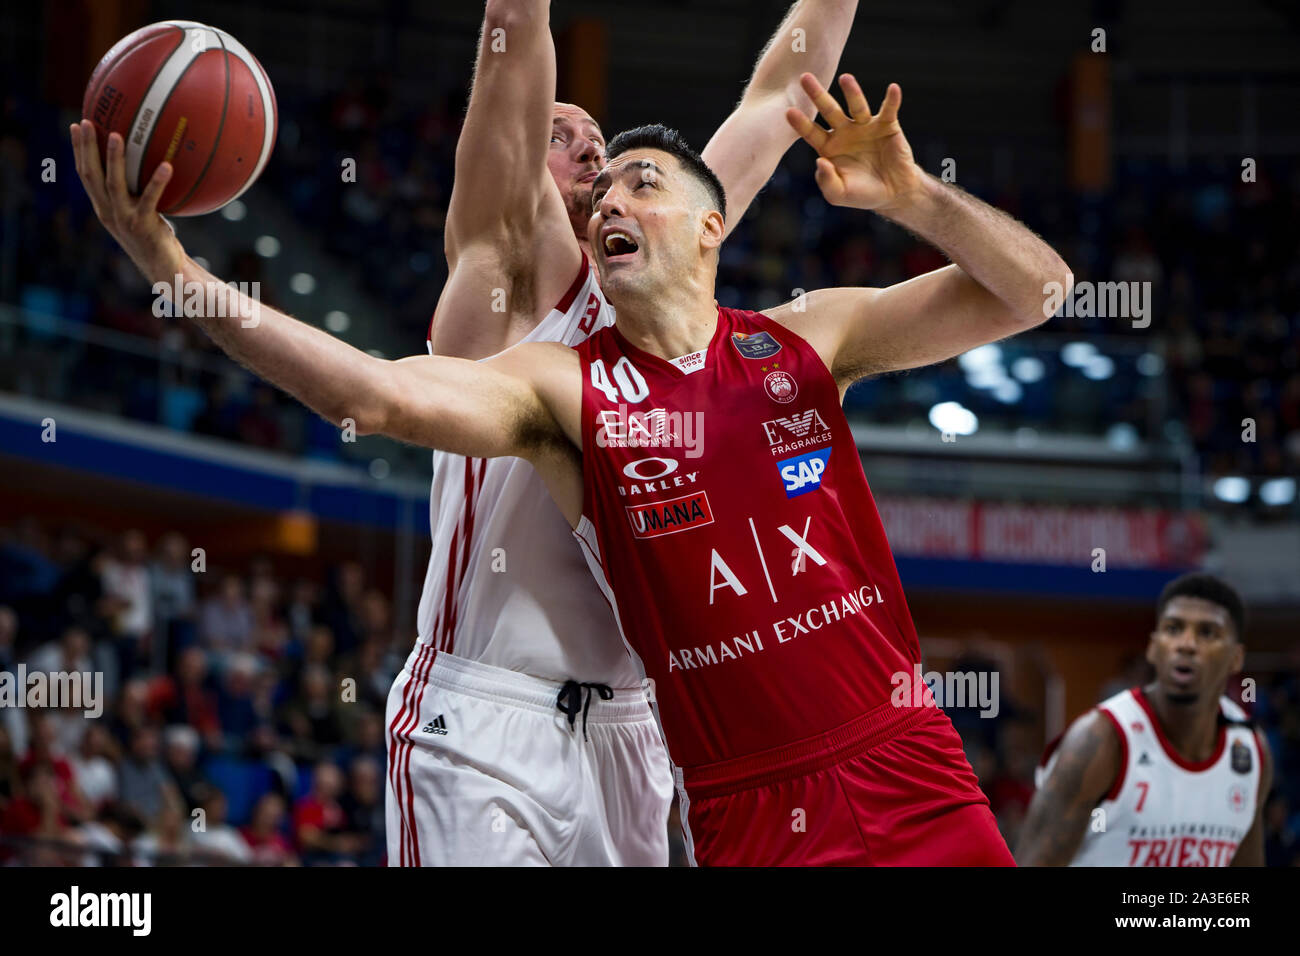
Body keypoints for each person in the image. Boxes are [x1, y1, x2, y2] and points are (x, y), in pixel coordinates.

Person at [69, 64, 1068, 863]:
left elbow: (1037, 291)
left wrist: (914, 197)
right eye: (599, 192)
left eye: (642, 180)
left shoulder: (809, 337)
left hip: (906, 761)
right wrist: (180, 276)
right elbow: (368, 394)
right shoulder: (561, 390)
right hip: (742, 806)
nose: (608, 200)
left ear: (712, 226)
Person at [396, 0, 859, 865]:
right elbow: (512, 38)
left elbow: (775, 100)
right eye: (563, 134)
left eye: (603, 148)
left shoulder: (657, 300)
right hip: (488, 710)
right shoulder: (500, 278)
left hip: (634, 731)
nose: (593, 152)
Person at [1016, 573, 1271, 866]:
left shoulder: (1250, 750)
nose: (1186, 644)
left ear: (1236, 658)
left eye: (1207, 633)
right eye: (1173, 629)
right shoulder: (1098, 741)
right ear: (1153, 647)